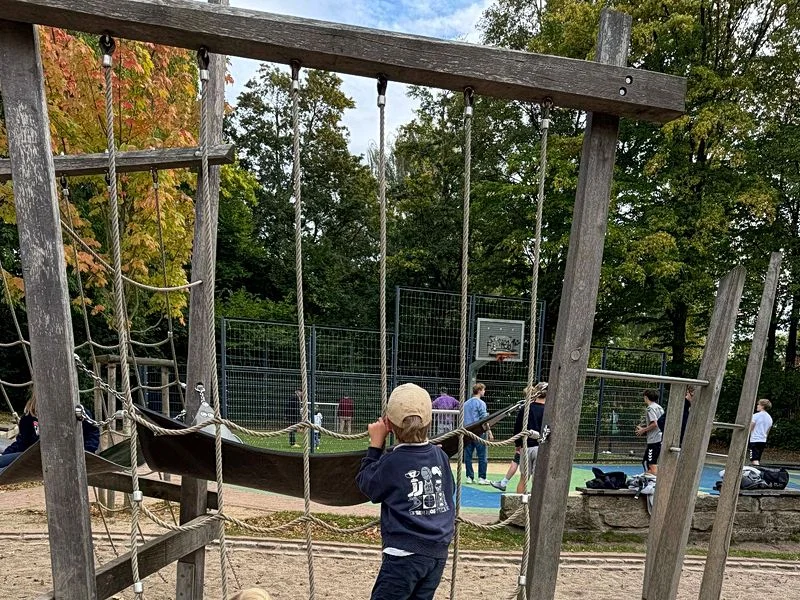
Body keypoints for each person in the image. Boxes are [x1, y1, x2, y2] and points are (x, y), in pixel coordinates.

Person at [357, 383, 455, 600]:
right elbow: (450, 490)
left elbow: (367, 485)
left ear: (388, 424)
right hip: (437, 553)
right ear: (429, 421)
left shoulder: (392, 461)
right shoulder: (440, 457)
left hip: (404, 555)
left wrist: (375, 445)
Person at [0, 392, 100, 469]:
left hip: (67, 457)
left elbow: (92, 432)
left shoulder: (74, 410)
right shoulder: (31, 415)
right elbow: (22, 443)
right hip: (36, 458)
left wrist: (87, 453)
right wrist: (5, 454)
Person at [491, 387, 546, 493]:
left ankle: (519, 503)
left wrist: (518, 445)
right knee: (537, 479)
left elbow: (517, 428)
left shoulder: (525, 408)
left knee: (523, 478)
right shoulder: (548, 411)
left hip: (526, 446)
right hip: (540, 447)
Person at [463, 383, 492, 485]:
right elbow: (484, 419)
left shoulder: (465, 404)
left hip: (467, 431)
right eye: (483, 390)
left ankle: (469, 477)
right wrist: (489, 432)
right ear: (479, 390)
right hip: (478, 432)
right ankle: (482, 477)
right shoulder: (481, 403)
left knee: (468, 456)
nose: (484, 392)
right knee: (482, 455)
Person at [635, 389, 664, 475]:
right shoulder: (659, 408)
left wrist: (642, 430)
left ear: (646, 397)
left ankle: (653, 483)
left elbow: (655, 423)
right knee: (648, 461)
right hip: (659, 438)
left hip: (654, 440)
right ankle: (652, 480)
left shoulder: (650, 409)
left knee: (649, 463)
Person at [749, 398, 773, 466]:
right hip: (763, 440)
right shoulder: (769, 418)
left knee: (754, 459)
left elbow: (751, 426)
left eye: (758, 404)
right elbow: (768, 430)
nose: (757, 406)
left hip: (755, 440)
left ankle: (757, 473)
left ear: (762, 406)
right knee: (757, 458)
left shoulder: (756, 416)